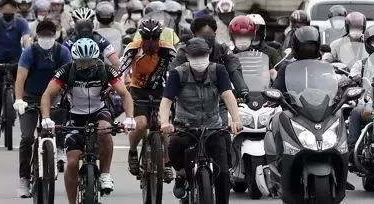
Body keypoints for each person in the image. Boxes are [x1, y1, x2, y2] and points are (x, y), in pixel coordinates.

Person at [41, 38, 135, 202]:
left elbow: (125, 94)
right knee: (71, 163)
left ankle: (105, 174)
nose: (85, 65)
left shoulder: (106, 70)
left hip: (99, 112)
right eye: (81, 62)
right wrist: (46, 118)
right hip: (75, 117)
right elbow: (47, 94)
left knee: (105, 129)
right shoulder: (66, 71)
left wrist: (130, 118)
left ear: (96, 58)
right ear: (74, 59)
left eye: (89, 61)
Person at [160, 38, 243, 203]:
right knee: (174, 145)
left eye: (202, 55)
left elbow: (228, 95)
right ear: (188, 56)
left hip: (212, 127)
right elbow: (166, 101)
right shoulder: (178, 73)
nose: (199, 59)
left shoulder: (218, 70)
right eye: (195, 56)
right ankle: (182, 175)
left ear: (209, 54)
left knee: (224, 172)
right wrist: (165, 123)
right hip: (185, 126)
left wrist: (236, 119)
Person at [13, 20, 71, 198]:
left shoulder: (62, 51)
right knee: (27, 138)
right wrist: (19, 99)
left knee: (61, 117)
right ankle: (24, 179)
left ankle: (59, 146)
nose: (47, 39)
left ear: (56, 35)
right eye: (43, 35)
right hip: (30, 98)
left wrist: (67, 95)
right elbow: (20, 79)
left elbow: (68, 75)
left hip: (54, 96)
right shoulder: (29, 52)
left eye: (50, 35)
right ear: (37, 36)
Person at [119, 19, 177, 178]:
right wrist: (117, 86)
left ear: (160, 36)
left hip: (161, 91)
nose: (151, 42)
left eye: (155, 38)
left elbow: (178, 71)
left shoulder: (168, 50)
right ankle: (132, 152)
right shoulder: (133, 48)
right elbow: (119, 70)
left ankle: (165, 160)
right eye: (147, 38)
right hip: (138, 91)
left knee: (163, 123)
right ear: (142, 37)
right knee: (141, 123)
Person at [0, 0, 32, 135]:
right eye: (5, 9)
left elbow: (26, 41)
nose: (8, 12)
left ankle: (20, 119)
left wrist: (29, 57)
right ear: (0, 10)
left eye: (11, 9)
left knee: (19, 90)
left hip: (17, 61)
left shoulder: (22, 23)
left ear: (16, 9)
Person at [347, 25, 374, 150]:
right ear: (368, 43)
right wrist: (350, 80)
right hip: (368, 103)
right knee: (355, 113)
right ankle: (353, 148)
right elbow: (350, 77)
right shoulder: (361, 64)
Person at [230, 15, 281, 80]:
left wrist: (277, 83)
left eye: (246, 36)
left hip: (258, 88)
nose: (243, 40)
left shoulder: (259, 56)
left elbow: (272, 73)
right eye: (239, 36)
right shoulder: (228, 56)